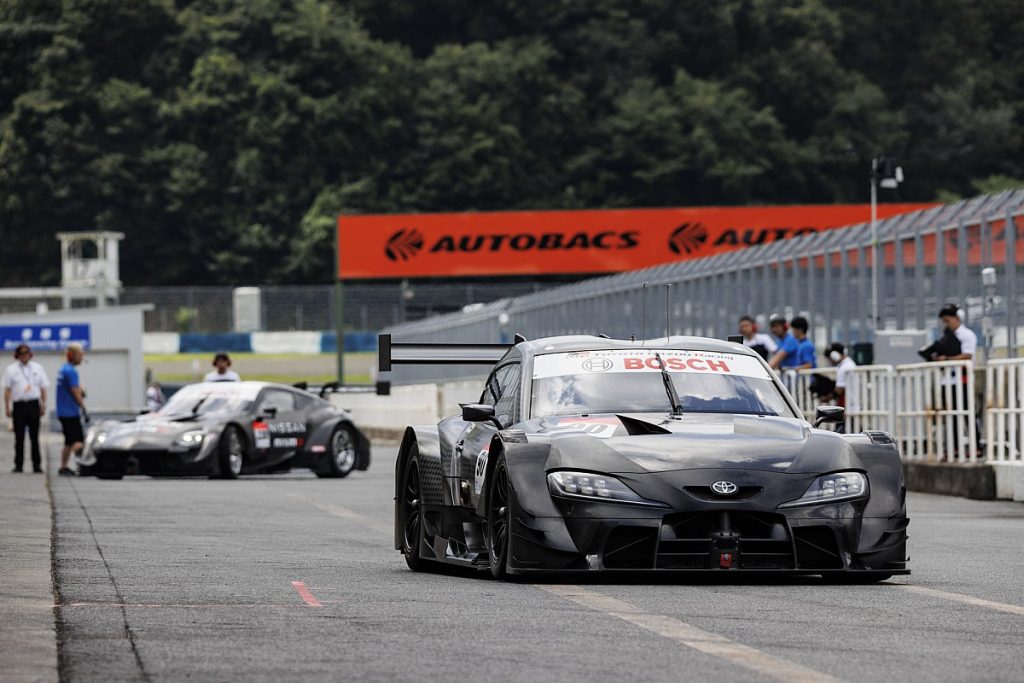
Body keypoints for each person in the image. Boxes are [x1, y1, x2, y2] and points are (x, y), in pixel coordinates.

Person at [2, 344, 49, 473]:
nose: (24, 356)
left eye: (26, 353)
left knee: (35, 437)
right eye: (21, 354)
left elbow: (43, 387)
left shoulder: (37, 368)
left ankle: (36, 464)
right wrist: (7, 406)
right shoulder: (11, 369)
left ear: (30, 354)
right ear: (17, 355)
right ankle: (18, 464)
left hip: (33, 404)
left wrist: (43, 404)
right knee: (19, 437)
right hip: (19, 405)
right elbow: (7, 390)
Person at [56, 343, 88, 476]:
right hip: (70, 412)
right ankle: (85, 466)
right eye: (80, 355)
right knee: (78, 441)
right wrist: (83, 406)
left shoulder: (63, 369)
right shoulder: (71, 371)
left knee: (69, 441)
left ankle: (63, 466)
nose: (81, 358)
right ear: (71, 355)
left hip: (63, 411)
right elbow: (75, 391)